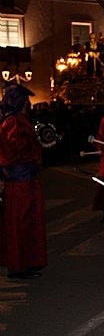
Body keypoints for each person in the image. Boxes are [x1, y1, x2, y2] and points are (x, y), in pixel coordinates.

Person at [0, 84, 47, 279]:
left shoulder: (14, 121)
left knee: (27, 221)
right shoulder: (14, 122)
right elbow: (14, 150)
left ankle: (25, 262)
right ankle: (19, 265)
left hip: (24, 178)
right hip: (20, 180)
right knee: (20, 222)